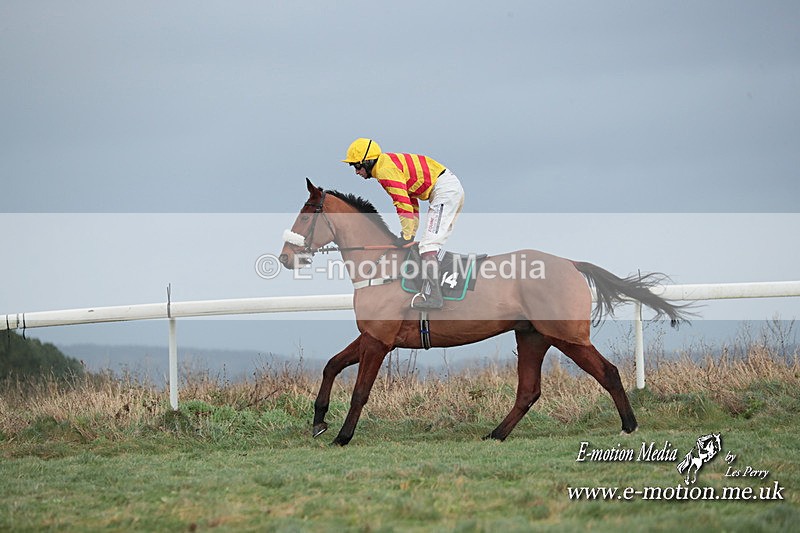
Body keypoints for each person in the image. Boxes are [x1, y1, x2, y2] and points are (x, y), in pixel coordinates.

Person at [342, 138, 465, 310]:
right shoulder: (384, 167)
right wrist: (410, 234)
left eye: (356, 166)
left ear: (368, 162)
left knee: (428, 246)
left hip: (445, 191)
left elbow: (402, 204)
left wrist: (406, 235)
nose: (356, 172)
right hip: (445, 188)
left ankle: (436, 297)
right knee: (426, 244)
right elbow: (410, 200)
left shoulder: (385, 171)